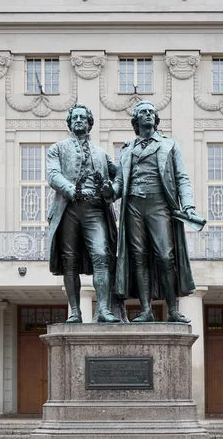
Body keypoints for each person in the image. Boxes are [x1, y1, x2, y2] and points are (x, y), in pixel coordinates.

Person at [112, 100, 204, 323]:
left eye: (151, 112)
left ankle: (172, 309)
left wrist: (188, 206)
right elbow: (118, 185)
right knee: (139, 257)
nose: (148, 115)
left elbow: (182, 178)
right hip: (133, 205)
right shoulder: (127, 149)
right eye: (143, 112)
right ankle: (146, 310)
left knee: (165, 256)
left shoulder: (169, 145)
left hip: (159, 205)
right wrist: (106, 189)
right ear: (136, 120)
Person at [47, 103, 120, 323]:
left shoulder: (102, 153)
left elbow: (118, 179)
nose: (79, 120)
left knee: (101, 255)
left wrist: (111, 190)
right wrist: (71, 190)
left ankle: (104, 310)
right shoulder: (57, 148)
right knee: (70, 261)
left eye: (83, 117)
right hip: (69, 209)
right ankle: (75, 311)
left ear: (90, 123)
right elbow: (52, 174)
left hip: (95, 211)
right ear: (69, 122)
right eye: (75, 117)